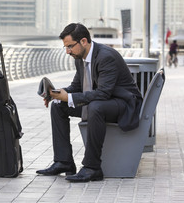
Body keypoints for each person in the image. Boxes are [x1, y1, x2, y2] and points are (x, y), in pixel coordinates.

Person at [36, 23, 143, 182]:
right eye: (65, 47)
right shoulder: (80, 58)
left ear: (84, 41)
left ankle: (92, 168)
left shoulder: (106, 57)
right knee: (58, 106)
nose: (68, 51)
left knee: (95, 107)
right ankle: (63, 161)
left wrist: (70, 97)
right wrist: (56, 94)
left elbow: (103, 93)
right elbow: (76, 87)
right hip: (105, 101)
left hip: (124, 105)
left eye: (70, 46)